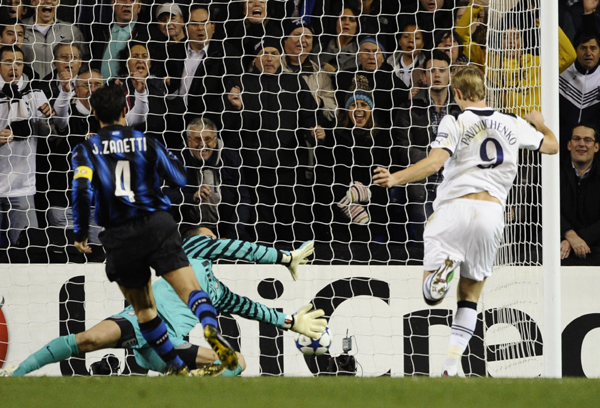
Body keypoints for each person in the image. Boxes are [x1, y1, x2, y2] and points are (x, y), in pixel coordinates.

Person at [373, 66, 559, 376]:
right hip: (491, 215)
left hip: (454, 209)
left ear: (457, 94)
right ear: (484, 91)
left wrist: (395, 178)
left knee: (431, 296)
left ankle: (444, 269)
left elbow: (434, 163)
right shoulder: (512, 121)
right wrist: (540, 124)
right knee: (470, 296)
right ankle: (450, 365)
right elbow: (551, 146)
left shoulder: (455, 119)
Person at [71, 84, 238, 375]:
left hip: (120, 235)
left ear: (94, 114)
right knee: (192, 292)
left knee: (145, 311)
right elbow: (181, 179)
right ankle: (210, 330)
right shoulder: (146, 142)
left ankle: (175, 366)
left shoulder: (86, 150)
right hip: (156, 225)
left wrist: (81, 232)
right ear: (126, 110)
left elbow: (81, 190)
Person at [1, 226, 324, 377]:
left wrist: (291, 322)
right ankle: (16, 374)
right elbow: (238, 248)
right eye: (205, 236)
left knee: (236, 362)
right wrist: (283, 257)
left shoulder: (217, 291)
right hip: (142, 319)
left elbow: (251, 309)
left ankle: (195, 388)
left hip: (172, 345)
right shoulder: (189, 252)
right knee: (86, 340)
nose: (211, 240)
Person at [224, 39, 324, 244]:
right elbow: (229, 127)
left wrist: (315, 131)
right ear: (255, 58)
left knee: (293, 224)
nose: (269, 58)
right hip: (254, 170)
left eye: (273, 52)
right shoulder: (241, 83)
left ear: (280, 57)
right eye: (263, 53)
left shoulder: (294, 82)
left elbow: (310, 117)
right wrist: (238, 109)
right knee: (262, 226)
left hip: (290, 167)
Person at [393, 50, 461, 243]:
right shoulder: (408, 108)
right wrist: (435, 161)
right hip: (421, 186)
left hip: (454, 186)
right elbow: (403, 149)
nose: (437, 75)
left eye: (442, 70)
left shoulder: (461, 111)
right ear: (423, 76)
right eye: (431, 71)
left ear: (451, 74)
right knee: (428, 244)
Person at [165, 117, 253, 241]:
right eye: (197, 139)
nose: (202, 144)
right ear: (188, 141)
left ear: (216, 141)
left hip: (227, 229)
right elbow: (164, 194)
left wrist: (229, 236)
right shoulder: (174, 161)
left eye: (208, 139)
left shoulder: (230, 159)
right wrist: (192, 197)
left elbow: (243, 200)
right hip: (189, 228)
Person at [0, 45, 52, 247]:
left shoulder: (35, 93)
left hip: (22, 188)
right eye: (7, 62)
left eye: (19, 63)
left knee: (27, 252)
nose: (14, 67)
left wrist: (48, 119)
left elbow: (48, 134)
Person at [560, 123, 600, 266]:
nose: (581, 144)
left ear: (596, 147)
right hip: (559, 241)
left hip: (594, 244)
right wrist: (570, 235)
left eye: (587, 140)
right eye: (576, 139)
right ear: (569, 145)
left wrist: (577, 240)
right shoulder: (552, 171)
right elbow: (545, 208)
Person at [21, 0, 87, 78]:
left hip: (60, 87)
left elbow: (84, 63)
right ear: (32, 2)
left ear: (58, 3)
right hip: (28, 87)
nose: (48, 1)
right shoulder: (18, 28)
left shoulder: (71, 31)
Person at [89, 0, 149, 81]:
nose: (127, 4)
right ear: (113, 4)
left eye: (132, 1)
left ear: (139, 7)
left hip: (131, 91)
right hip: (100, 91)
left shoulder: (150, 35)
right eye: (122, 0)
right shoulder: (100, 31)